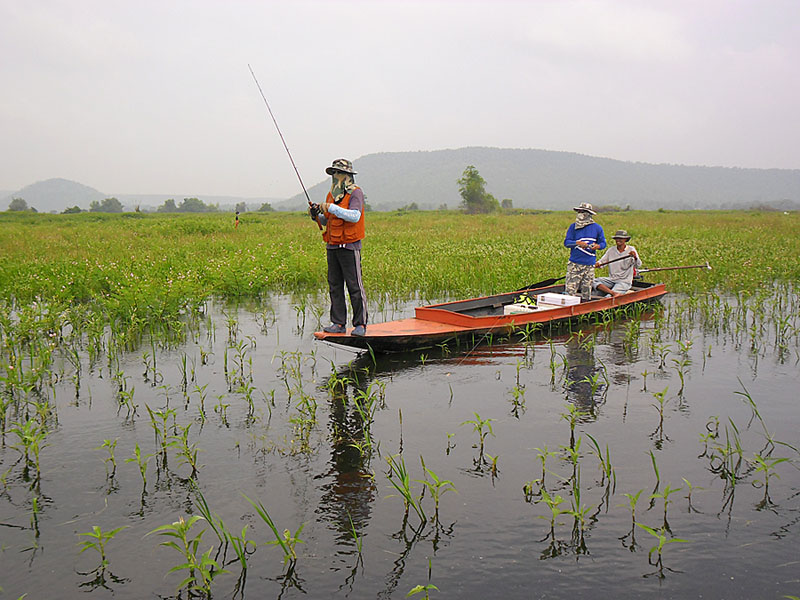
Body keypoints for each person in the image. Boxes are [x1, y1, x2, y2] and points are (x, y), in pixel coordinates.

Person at [310, 158, 368, 336]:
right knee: (334, 285)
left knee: (354, 286)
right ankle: (338, 323)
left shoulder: (355, 193)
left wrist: (331, 208)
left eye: (338, 173)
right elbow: (326, 220)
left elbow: (354, 216)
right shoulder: (331, 195)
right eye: (333, 173)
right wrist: (315, 215)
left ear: (348, 175)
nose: (335, 176)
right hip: (332, 245)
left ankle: (360, 325)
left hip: (349, 246)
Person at [563, 202, 606, 301]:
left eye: (583, 212)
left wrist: (597, 246)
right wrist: (577, 243)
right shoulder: (573, 227)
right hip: (575, 264)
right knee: (570, 290)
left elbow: (603, 243)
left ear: (589, 214)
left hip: (589, 264)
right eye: (579, 211)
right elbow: (567, 243)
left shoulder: (597, 228)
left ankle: (585, 308)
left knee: (587, 290)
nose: (581, 213)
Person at [593, 229, 642, 297]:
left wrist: (635, 257)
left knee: (608, 297)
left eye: (621, 238)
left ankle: (611, 294)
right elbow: (602, 262)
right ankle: (612, 292)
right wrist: (597, 264)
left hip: (624, 281)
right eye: (617, 238)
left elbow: (638, 265)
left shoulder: (631, 249)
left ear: (625, 240)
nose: (618, 240)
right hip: (612, 279)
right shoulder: (611, 250)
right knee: (592, 281)